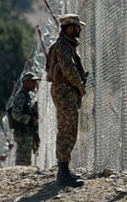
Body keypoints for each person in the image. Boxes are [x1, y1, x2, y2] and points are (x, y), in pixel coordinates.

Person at [47, 13, 88, 187]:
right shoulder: (63, 47)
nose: (79, 30)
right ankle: (63, 173)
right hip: (65, 91)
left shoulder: (66, 45)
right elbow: (68, 70)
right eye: (77, 27)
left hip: (65, 91)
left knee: (69, 129)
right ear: (70, 28)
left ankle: (64, 169)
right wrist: (80, 86)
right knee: (66, 129)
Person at [7, 72, 40, 166]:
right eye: (32, 82)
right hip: (22, 132)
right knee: (22, 159)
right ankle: (20, 177)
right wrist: (29, 119)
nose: (35, 84)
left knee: (26, 158)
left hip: (26, 132)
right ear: (25, 82)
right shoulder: (21, 96)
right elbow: (15, 114)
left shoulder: (27, 96)